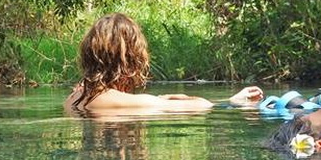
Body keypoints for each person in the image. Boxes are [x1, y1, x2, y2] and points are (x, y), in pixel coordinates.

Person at [65, 13, 262, 117]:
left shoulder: (77, 94)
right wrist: (234, 103)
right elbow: (200, 106)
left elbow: (155, 100)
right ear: (130, 59)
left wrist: (165, 97)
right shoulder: (108, 100)